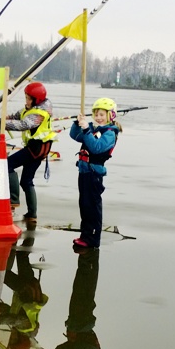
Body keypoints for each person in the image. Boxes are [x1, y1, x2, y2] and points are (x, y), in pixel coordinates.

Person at [0, 81, 55, 223]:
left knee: (7, 165)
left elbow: (24, 125)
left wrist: (2, 125)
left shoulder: (39, 114)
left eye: (29, 99)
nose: (26, 101)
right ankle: (32, 215)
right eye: (26, 97)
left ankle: (13, 200)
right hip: (38, 149)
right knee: (26, 181)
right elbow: (14, 117)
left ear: (37, 100)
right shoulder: (28, 109)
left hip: (36, 149)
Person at [69, 98, 121, 250]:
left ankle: (92, 239)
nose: (98, 118)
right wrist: (77, 123)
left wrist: (86, 130)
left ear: (110, 115)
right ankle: (85, 235)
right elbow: (75, 136)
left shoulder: (110, 133)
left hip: (94, 174)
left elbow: (96, 147)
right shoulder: (93, 129)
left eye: (101, 115)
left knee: (92, 206)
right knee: (84, 205)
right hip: (84, 171)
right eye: (96, 115)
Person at [55, 248, 104, 349]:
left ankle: (84, 256)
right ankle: (92, 254)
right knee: (87, 285)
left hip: (75, 320)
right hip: (83, 320)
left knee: (79, 285)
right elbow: (80, 348)